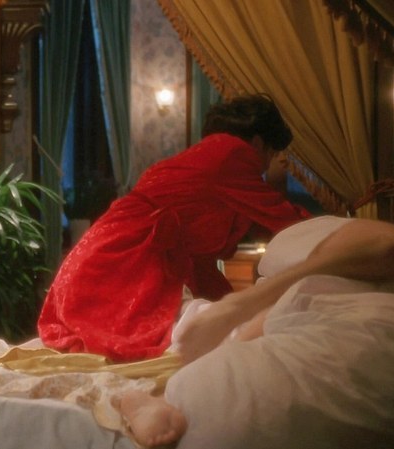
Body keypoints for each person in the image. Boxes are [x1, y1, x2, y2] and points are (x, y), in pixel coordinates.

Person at [119, 217, 394, 448]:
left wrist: (236, 308)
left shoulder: (328, 269)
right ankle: (150, 401)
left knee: (200, 375)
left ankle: (146, 401)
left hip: (229, 409)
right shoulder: (390, 294)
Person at [38, 94, 311, 362]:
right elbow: (280, 214)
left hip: (106, 252)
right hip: (127, 256)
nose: (267, 166)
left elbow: (200, 258)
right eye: (272, 154)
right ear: (258, 142)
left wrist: (231, 308)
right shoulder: (232, 154)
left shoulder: (206, 155)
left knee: (211, 326)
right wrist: (332, 239)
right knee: (178, 335)